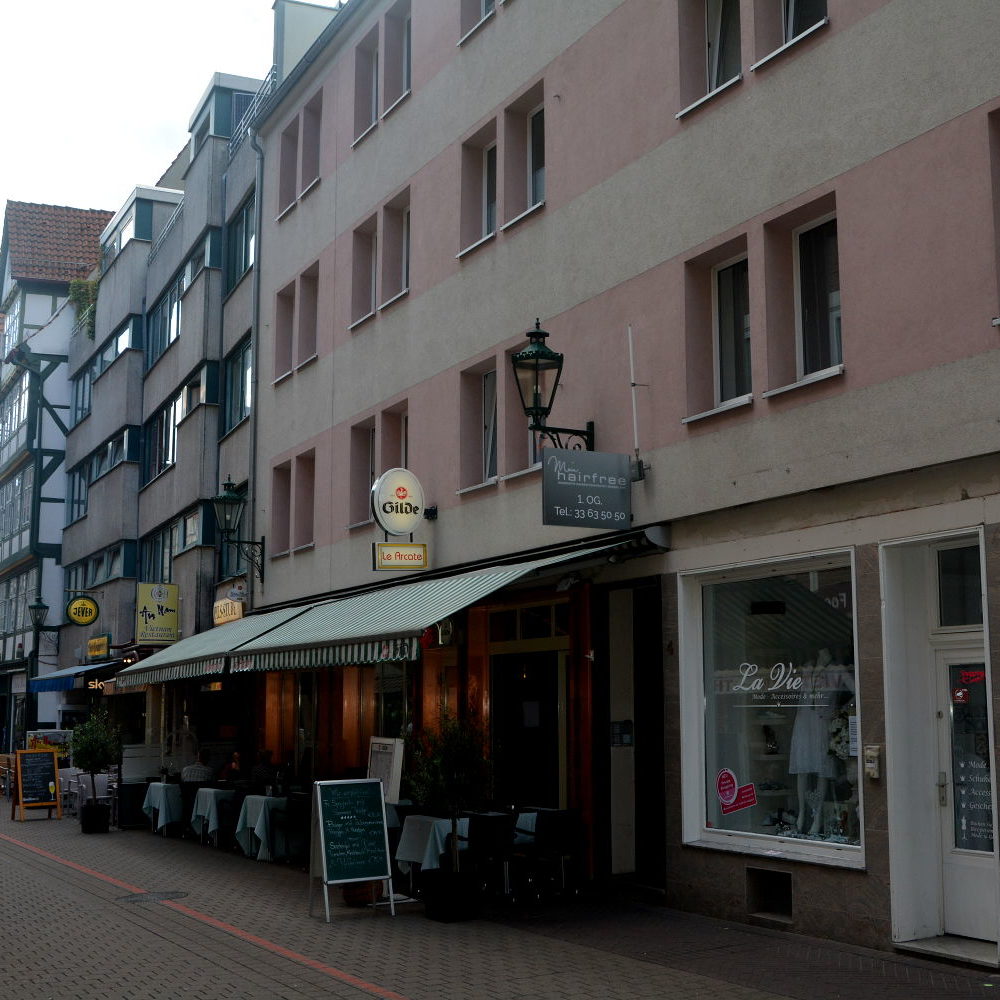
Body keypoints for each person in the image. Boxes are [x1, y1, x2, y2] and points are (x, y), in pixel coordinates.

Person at [789, 648, 855, 836]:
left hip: (822, 723)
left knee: (821, 771)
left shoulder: (838, 670)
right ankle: (802, 812)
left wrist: (841, 709)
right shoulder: (807, 668)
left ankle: (817, 818)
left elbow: (857, 691)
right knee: (802, 770)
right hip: (803, 723)